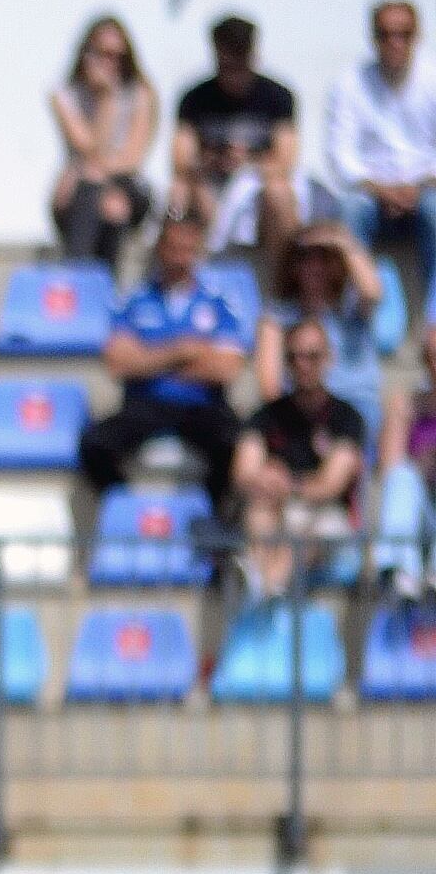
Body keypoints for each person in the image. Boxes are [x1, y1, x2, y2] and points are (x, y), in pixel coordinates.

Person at [82, 198, 251, 492]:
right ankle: (125, 512)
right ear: (160, 247)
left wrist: (148, 360)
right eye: (173, 245)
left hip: (202, 404)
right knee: (95, 443)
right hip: (147, 403)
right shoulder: (136, 299)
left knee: (235, 444)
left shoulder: (218, 300)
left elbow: (226, 369)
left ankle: (214, 521)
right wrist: (183, 351)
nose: (180, 255)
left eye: (187, 246)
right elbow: (117, 363)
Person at [235, 316, 368, 616]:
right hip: (280, 510)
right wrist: (264, 480)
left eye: (312, 355)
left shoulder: (347, 418)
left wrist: (285, 483)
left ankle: (263, 587)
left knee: (312, 530)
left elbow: (330, 486)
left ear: (329, 359)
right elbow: (243, 473)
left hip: (329, 518)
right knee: (258, 511)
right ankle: (269, 588)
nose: (303, 364)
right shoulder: (267, 416)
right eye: (294, 357)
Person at [318, 0, 436, 317]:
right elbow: (340, 155)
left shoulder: (432, 78)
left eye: (403, 34)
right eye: (386, 34)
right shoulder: (349, 84)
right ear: (374, 38)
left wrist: (420, 186)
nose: (395, 43)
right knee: (349, 210)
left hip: (425, 192)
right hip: (370, 196)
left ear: (416, 36)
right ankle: (355, 311)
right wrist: (380, 189)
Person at [174, 15, 303, 268]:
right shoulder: (195, 98)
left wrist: (246, 163)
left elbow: (285, 160)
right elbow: (181, 160)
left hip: (257, 188)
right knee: (182, 192)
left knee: (278, 192)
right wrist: (212, 162)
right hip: (211, 186)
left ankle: (285, 282)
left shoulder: (277, 97)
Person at [52, 16, 164, 268]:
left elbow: (132, 159)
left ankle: (85, 277)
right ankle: (85, 277)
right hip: (80, 193)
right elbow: (85, 146)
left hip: (126, 185)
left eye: (118, 56)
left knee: (113, 203)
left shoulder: (141, 94)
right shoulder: (66, 96)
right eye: (103, 54)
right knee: (105, 201)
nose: (110, 64)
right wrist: (106, 101)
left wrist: (109, 97)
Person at [265, 221, 398, 432]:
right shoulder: (279, 316)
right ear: (293, 265)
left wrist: (343, 242)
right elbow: (270, 386)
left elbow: (373, 291)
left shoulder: (353, 306)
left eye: (324, 257)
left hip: (357, 405)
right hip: (303, 412)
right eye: (305, 257)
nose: (315, 266)